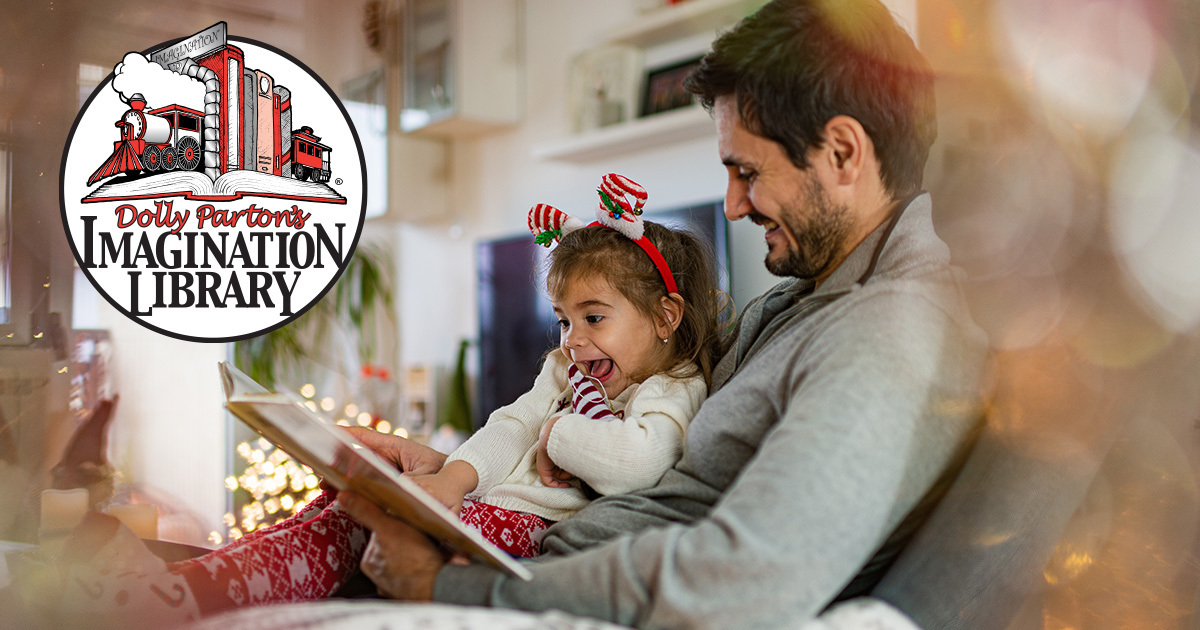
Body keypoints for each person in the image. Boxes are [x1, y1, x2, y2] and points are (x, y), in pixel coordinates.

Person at [336, 0, 991, 627]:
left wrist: (449, 587)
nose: (733, 206)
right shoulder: (805, 302)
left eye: (746, 172)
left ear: (844, 153)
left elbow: (737, 578)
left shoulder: (888, 332)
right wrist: (451, 471)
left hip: (537, 585)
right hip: (539, 553)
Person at [39, 174, 720, 628]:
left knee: (352, 529)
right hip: (481, 509)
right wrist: (450, 480)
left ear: (664, 316)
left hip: (520, 535)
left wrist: (559, 436)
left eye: (593, 318)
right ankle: (195, 574)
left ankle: (178, 598)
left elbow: (634, 464)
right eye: (564, 320)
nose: (573, 339)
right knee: (339, 503)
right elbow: (511, 425)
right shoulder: (566, 370)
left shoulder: (673, 389)